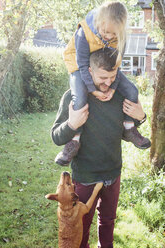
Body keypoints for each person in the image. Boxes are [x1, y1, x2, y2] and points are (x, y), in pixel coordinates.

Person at [51, 47, 147, 247]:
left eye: (112, 77)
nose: (108, 82)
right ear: (89, 71)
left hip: (113, 172)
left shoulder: (120, 96)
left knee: (108, 222)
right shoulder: (73, 98)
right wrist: (71, 125)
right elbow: (56, 137)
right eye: (103, 77)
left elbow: (123, 132)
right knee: (82, 226)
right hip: (85, 176)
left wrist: (141, 117)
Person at [55, 1, 150, 166]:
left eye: (113, 34)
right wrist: (92, 90)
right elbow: (83, 65)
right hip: (80, 65)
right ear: (98, 23)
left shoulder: (120, 36)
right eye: (105, 32)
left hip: (104, 66)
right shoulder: (83, 33)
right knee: (79, 98)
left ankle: (129, 129)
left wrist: (113, 88)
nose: (108, 37)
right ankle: (74, 141)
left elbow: (117, 65)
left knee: (132, 91)